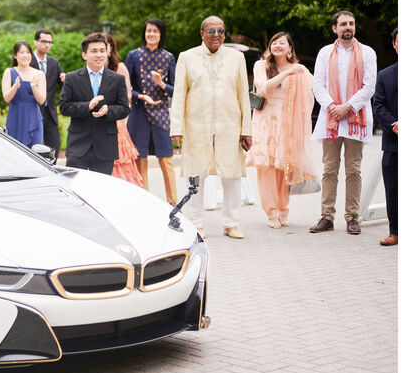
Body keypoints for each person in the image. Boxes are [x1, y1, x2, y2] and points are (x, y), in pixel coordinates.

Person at [170, 16, 252, 239]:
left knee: (232, 175)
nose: (217, 35)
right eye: (212, 31)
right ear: (202, 33)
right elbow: (179, 94)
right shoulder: (187, 57)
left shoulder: (236, 58)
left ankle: (231, 224)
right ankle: (196, 223)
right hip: (196, 125)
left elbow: (243, 94)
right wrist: (176, 127)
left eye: (221, 31)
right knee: (196, 175)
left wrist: (247, 129)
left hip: (230, 125)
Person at [309, 10, 377, 235]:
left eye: (351, 23)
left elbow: (369, 86)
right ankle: (327, 216)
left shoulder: (367, 53)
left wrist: (347, 107)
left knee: (353, 169)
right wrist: (332, 107)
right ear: (334, 29)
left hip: (356, 117)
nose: (348, 27)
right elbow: (317, 84)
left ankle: (352, 217)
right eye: (343, 24)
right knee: (329, 169)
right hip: (331, 118)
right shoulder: (324, 52)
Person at [246, 32, 315, 228]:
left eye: (282, 42)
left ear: (290, 48)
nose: (277, 45)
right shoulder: (262, 65)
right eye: (274, 42)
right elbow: (262, 89)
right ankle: (271, 212)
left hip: (288, 124)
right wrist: (285, 74)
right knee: (267, 168)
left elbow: (312, 91)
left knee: (284, 168)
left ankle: (283, 209)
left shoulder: (298, 69)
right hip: (266, 123)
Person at [59, 32, 130, 174]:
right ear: (84, 55)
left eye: (102, 51)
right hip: (78, 146)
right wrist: (87, 106)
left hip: (105, 146)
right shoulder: (72, 78)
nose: (99, 55)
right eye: (94, 51)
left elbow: (124, 108)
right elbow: (64, 107)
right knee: (74, 188)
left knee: (101, 191)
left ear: (107, 53)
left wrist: (108, 110)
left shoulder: (117, 79)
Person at [125, 18, 177, 203]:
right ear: (144, 33)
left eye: (155, 31)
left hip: (161, 112)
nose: (151, 34)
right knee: (141, 158)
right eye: (149, 31)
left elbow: (176, 88)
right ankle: (144, 199)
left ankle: (173, 201)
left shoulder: (168, 57)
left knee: (166, 158)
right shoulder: (133, 55)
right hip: (139, 112)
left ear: (161, 34)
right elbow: (126, 86)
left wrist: (161, 84)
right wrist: (140, 96)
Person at [371, 27, 397, 246]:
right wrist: (394, 124)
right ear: (395, 45)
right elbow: (378, 106)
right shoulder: (385, 75)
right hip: (393, 143)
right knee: (393, 190)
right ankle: (395, 231)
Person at [107, 34, 143, 186]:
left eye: (105, 46)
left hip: (117, 117)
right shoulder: (94, 68)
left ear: (111, 47)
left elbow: (128, 94)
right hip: (99, 118)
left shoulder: (120, 67)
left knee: (120, 155)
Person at [29, 29, 65, 158]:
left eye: (50, 42)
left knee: (54, 144)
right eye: (44, 41)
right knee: (33, 145)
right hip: (32, 109)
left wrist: (66, 79)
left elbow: (64, 85)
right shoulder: (27, 60)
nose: (47, 45)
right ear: (35, 42)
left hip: (50, 111)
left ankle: (52, 170)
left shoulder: (54, 63)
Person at [2, 41, 45, 147]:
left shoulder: (39, 73)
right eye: (21, 52)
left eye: (28, 52)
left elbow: (42, 100)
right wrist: (15, 87)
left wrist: (34, 87)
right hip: (15, 117)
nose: (25, 55)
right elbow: (7, 98)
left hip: (33, 118)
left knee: (35, 152)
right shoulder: (9, 72)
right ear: (15, 55)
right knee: (14, 150)